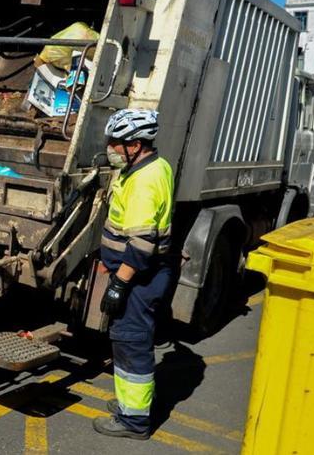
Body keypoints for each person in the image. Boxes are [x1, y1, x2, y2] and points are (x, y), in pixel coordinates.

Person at [92, 108, 175, 440]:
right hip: (143, 274)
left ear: (137, 144)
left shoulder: (145, 180)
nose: (112, 148)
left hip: (140, 278)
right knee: (127, 342)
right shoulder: (148, 166)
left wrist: (118, 283)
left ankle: (135, 421)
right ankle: (129, 405)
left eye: (118, 142)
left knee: (132, 343)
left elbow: (141, 245)